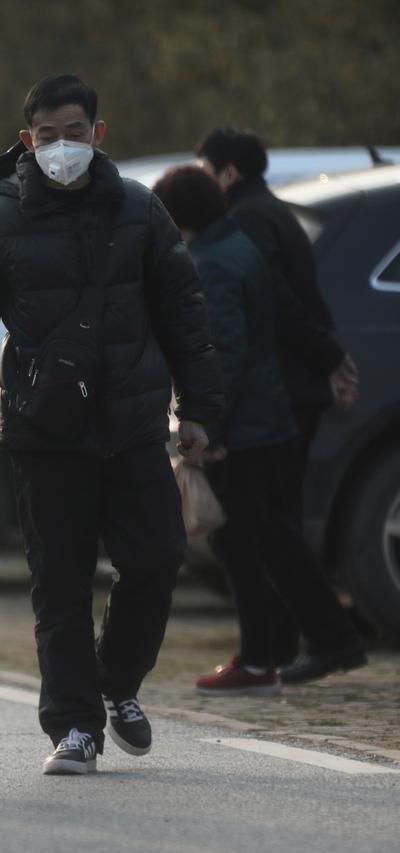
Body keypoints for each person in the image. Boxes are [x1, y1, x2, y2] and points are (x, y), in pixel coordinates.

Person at [0, 75, 223, 776]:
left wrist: (200, 410)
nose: (64, 147)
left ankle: (115, 680)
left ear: (100, 132)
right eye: (49, 136)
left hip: (132, 423)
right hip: (43, 428)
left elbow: (185, 316)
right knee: (59, 583)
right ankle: (75, 726)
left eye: (76, 132)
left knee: (156, 560)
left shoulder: (139, 212)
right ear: (28, 140)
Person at [150, 166, 367, 695]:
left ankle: (273, 652)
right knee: (266, 537)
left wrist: (205, 427)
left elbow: (220, 355)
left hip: (240, 426)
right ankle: (292, 644)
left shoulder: (210, 265)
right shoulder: (238, 247)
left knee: (243, 542)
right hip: (265, 418)